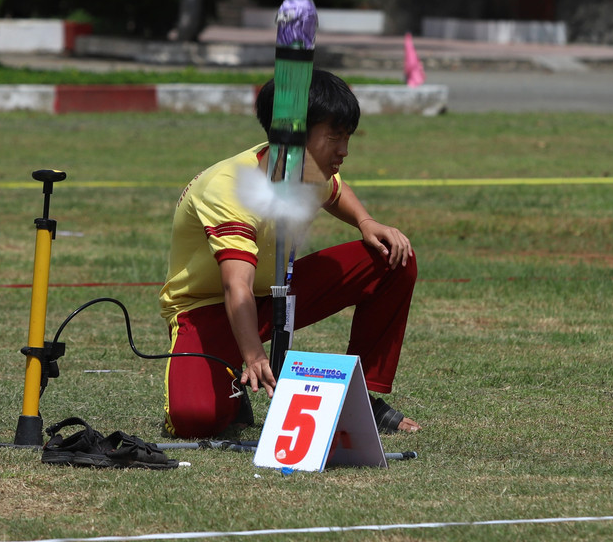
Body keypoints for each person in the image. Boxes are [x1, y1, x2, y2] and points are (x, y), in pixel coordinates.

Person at [159, 69, 421, 438]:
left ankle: (362, 399)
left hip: (276, 294)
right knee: (196, 421)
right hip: (208, 309)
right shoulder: (230, 188)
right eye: (334, 138)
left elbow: (334, 190)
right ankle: (232, 377)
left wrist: (365, 221)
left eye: (347, 138)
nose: (344, 151)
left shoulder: (308, 169)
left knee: (394, 257)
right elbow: (236, 286)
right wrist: (254, 356)